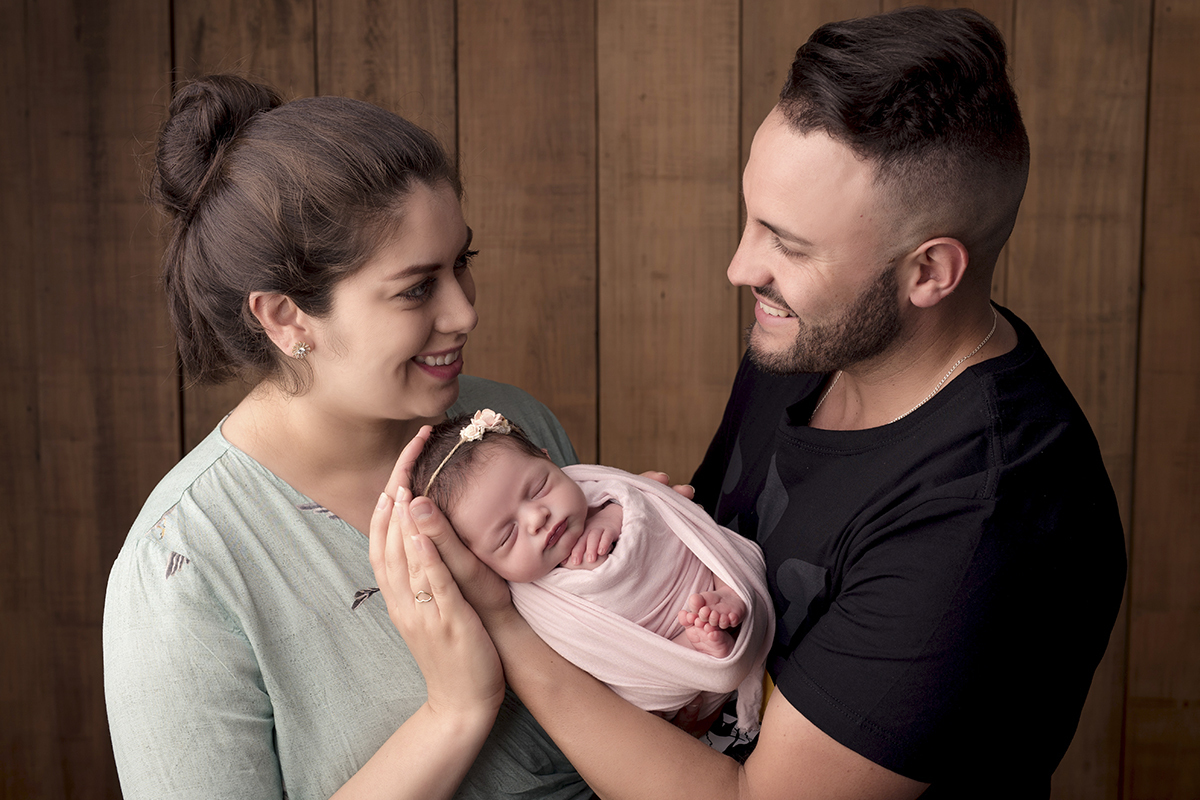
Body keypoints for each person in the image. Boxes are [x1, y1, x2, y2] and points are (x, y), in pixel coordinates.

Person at [372, 7, 1128, 800]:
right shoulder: (817, 339)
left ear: (930, 272)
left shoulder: (983, 518)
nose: (740, 267)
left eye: (788, 244)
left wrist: (503, 622)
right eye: (751, 219)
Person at [102, 75, 592, 800]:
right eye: (417, 287)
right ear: (286, 318)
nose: (463, 312)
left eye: (463, 263)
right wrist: (454, 712)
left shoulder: (510, 425)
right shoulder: (186, 566)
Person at [410, 410, 774, 732]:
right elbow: (588, 660)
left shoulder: (601, 493)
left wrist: (616, 514)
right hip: (660, 655)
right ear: (480, 562)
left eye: (538, 488)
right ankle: (696, 647)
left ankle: (730, 593)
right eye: (507, 535)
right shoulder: (535, 602)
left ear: (548, 459)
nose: (536, 517)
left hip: (699, 579)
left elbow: (650, 502)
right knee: (637, 692)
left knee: (715, 549)